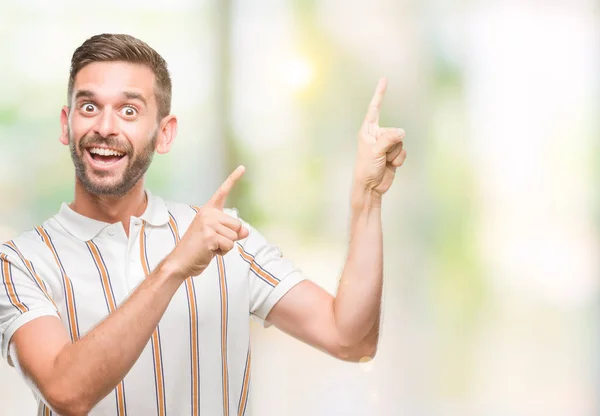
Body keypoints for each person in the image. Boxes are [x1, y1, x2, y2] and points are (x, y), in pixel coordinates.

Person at [0, 33, 406, 416]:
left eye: (129, 110)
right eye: (90, 107)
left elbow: (351, 338)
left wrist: (366, 198)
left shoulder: (224, 236)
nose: (105, 128)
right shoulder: (21, 262)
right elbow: (66, 393)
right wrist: (175, 266)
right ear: (65, 124)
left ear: (164, 133)